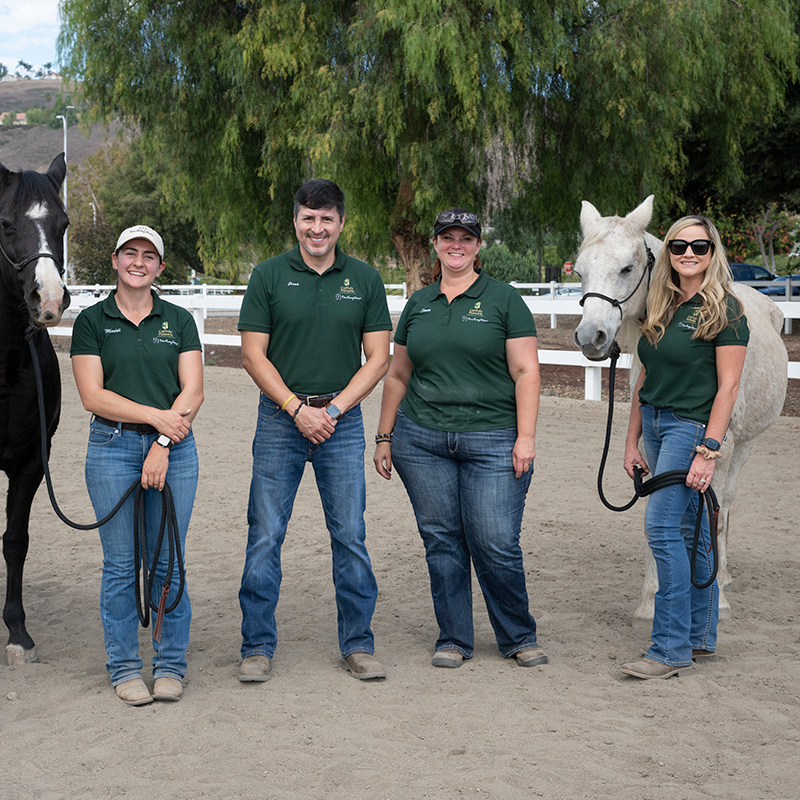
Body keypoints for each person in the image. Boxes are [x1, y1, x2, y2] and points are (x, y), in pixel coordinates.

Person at [373, 208, 546, 669]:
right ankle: (453, 637)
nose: (456, 245)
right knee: (443, 540)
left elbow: (527, 371)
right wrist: (384, 436)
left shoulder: (503, 300)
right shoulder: (419, 303)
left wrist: (525, 437)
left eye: (465, 238)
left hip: (493, 438)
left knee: (494, 540)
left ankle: (517, 635)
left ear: (477, 246)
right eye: (447, 237)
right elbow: (398, 374)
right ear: (435, 244)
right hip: (422, 440)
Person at [237, 179, 391, 682]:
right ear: (296, 221)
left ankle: (358, 644)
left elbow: (379, 358)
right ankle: (256, 647)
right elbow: (252, 355)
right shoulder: (268, 276)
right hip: (280, 420)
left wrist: (335, 410)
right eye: (308, 217)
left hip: (340, 425)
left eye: (326, 219)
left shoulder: (365, 280)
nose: (317, 228)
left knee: (349, 535)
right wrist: (295, 408)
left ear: (341, 223)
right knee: (265, 536)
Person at [71, 225, 204, 705]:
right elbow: (93, 395)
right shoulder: (91, 321)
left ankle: (170, 664)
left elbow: (194, 391)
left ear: (160, 267)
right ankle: (125, 667)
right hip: (111, 447)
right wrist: (155, 418)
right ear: (115, 260)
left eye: (150, 256)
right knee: (122, 566)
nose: (139, 262)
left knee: (168, 561)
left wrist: (163, 441)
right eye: (131, 253)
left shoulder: (179, 320)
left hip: (175, 450)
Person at [620, 215, 749, 680]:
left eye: (698, 246)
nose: (688, 254)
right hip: (654, 423)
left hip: (690, 428)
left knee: (662, 530)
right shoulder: (662, 304)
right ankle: (698, 636)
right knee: (693, 532)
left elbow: (729, 389)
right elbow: (645, 376)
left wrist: (709, 449)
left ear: (713, 251)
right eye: (678, 246)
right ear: (668, 253)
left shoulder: (726, 311)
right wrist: (632, 438)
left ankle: (668, 649)